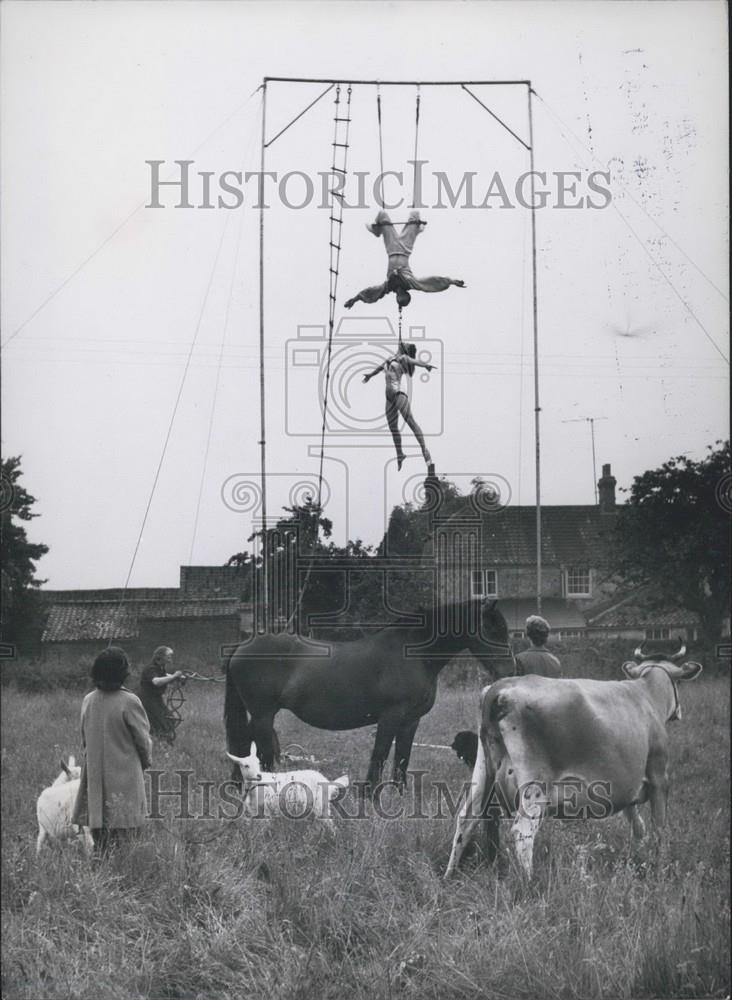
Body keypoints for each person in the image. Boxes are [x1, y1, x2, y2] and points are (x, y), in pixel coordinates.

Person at [72, 646, 152, 853]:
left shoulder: (88, 700)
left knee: (101, 831)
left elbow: (84, 738)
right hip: (126, 776)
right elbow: (143, 741)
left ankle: (102, 874)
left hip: (96, 775)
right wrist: (144, 763)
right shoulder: (130, 701)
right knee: (128, 830)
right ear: (123, 673)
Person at [344, 209, 465, 309]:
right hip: (405, 249)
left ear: (397, 296)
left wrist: (355, 299)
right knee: (415, 215)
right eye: (404, 294)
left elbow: (372, 292)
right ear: (407, 293)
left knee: (382, 215)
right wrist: (451, 281)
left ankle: (377, 231)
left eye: (399, 295)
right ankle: (417, 229)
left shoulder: (389, 286)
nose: (401, 291)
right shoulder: (411, 283)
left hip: (391, 248)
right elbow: (431, 282)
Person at [363, 340, 435, 472]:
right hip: (389, 397)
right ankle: (400, 454)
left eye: (404, 344)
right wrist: (370, 375)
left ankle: (424, 449)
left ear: (404, 349)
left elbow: (416, 362)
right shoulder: (390, 358)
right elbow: (380, 368)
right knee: (393, 428)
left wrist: (426, 366)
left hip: (398, 393)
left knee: (410, 421)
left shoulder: (403, 358)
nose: (401, 342)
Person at [138, 645, 185, 744]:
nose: (170, 658)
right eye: (168, 656)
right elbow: (157, 681)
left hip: (155, 699)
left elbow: (166, 676)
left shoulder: (160, 668)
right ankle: (161, 743)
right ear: (160, 657)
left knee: (169, 720)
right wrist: (174, 676)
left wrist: (178, 677)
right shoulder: (150, 668)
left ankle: (163, 742)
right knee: (161, 722)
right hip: (147, 700)